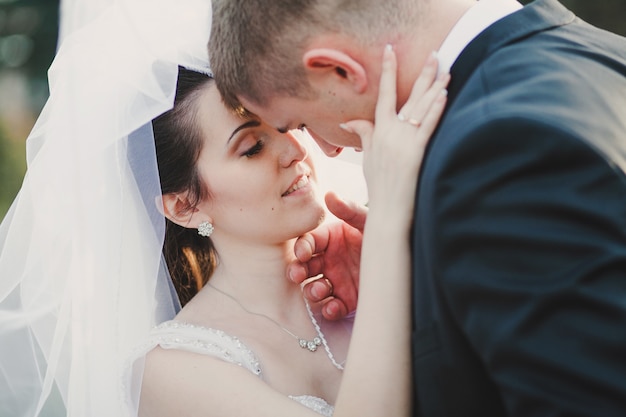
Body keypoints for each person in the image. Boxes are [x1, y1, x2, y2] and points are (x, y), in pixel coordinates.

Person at [0, 1, 449, 417]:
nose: (295, 148)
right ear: (185, 205)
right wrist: (392, 228)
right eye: (252, 147)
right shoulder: (171, 369)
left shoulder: (370, 272)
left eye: (286, 125)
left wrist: (400, 264)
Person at [208, 0, 626, 415]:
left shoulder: (496, 152)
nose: (328, 149)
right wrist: (423, 257)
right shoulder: (597, 51)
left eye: (302, 123)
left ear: (339, 71)